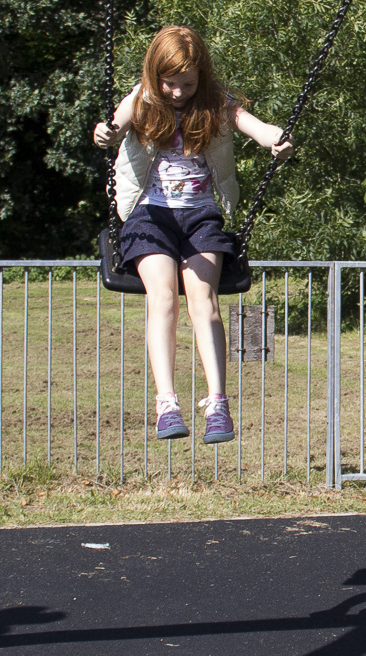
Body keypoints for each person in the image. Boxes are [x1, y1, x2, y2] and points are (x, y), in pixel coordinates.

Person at [95, 26, 291, 443]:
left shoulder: (217, 103)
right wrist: (105, 133)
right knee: (162, 297)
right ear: (154, 74)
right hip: (149, 215)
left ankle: (217, 402)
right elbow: (112, 125)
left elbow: (254, 126)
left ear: (201, 76)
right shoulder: (143, 98)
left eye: (186, 83)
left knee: (204, 299)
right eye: (169, 82)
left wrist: (275, 138)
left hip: (200, 215)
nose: (177, 92)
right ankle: (166, 403)